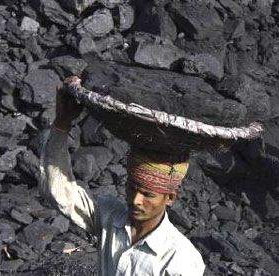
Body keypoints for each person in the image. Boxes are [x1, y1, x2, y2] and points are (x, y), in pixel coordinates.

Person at [40, 83, 205, 276]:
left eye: (147, 194)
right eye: (132, 188)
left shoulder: (180, 259)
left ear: (170, 197)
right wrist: (62, 123)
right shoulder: (110, 216)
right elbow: (60, 193)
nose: (135, 200)